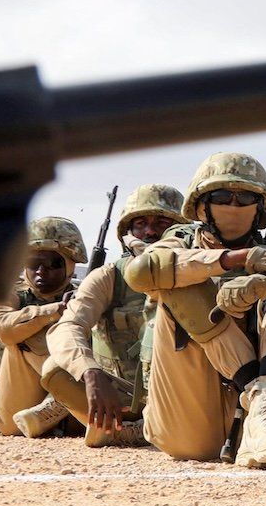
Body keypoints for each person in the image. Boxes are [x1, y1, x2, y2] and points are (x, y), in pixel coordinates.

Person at [125, 152, 266, 467]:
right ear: (201, 205)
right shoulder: (179, 242)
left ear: (260, 208)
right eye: (221, 196)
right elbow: (141, 271)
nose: (233, 205)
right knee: (180, 280)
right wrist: (234, 260)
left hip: (253, 405)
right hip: (185, 414)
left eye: (244, 197)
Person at [42, 184, 187, 447]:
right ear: (127, 233)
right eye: (141, 224)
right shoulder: (110, 277)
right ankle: (130, 427)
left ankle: (148, 429)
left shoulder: (198, 270)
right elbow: (67, 327)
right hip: (129, 396)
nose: (151, 231)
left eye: (162, 222)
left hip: (185, 393)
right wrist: (90, 372)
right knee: (55, 369)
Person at [0, 218, 85, 437]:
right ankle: (61, 403)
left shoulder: (85, 294)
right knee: (26, 331)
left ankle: (58, 406)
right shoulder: (8, 293)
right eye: (32, 262)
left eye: (53, 264)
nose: (41, 271)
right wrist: (55, 311)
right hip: (12, 409)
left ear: (71, 265)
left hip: (76, 403)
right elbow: (3, 328)